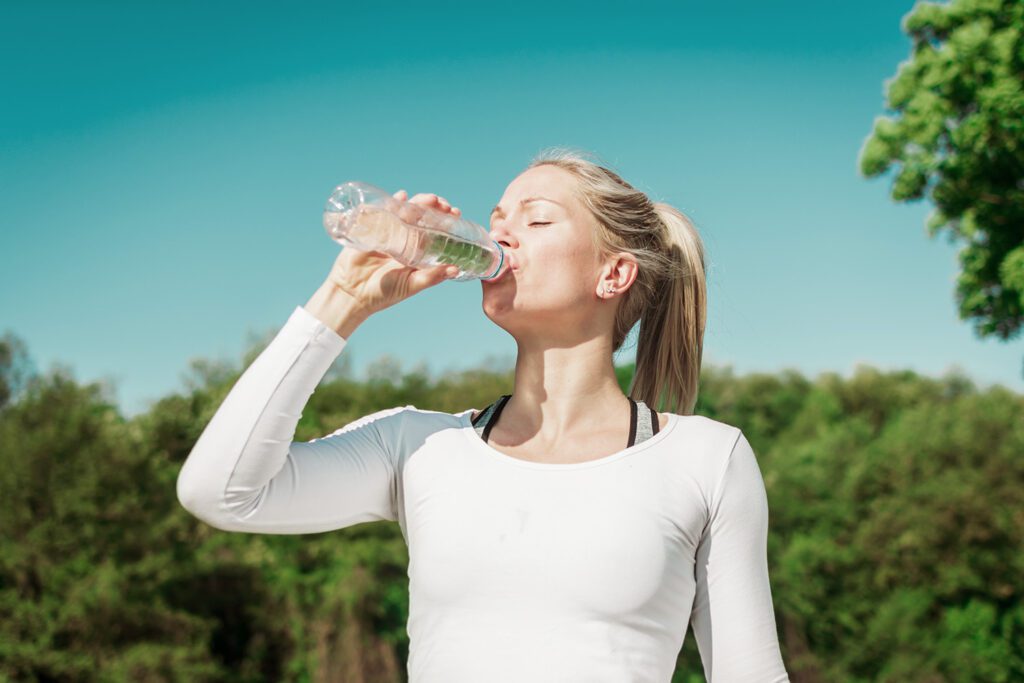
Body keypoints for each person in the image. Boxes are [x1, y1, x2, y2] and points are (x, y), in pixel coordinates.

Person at [176, 147, 791, 682]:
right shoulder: (416, 446)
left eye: (538, 218)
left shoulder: (705, 458)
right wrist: (345, 300)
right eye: (496, 220)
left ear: (614, 273)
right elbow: (221, 492)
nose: (501, 235)